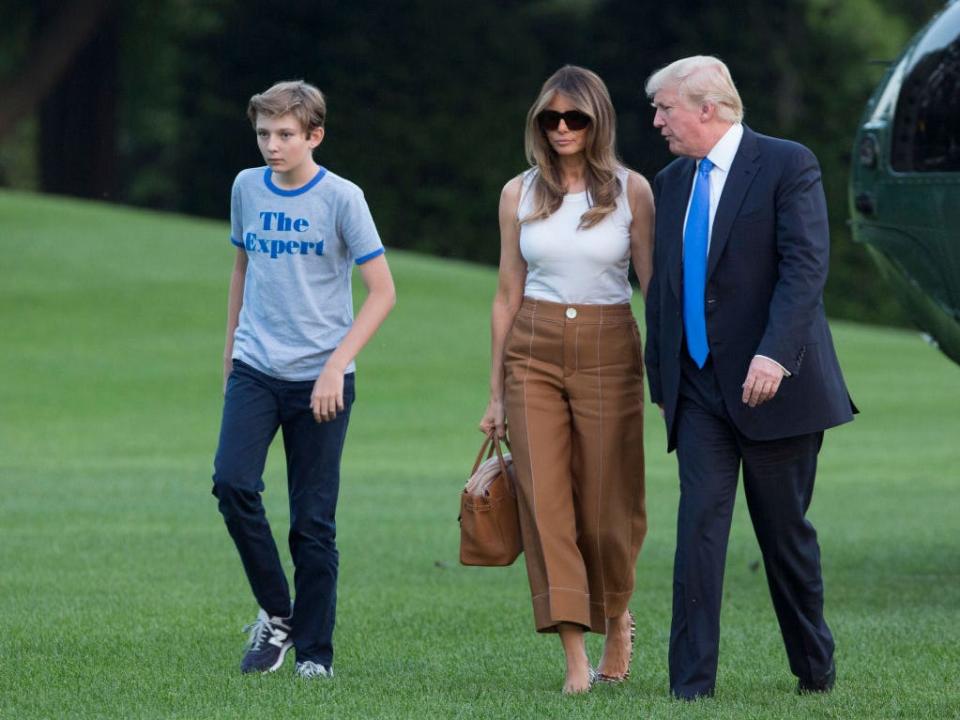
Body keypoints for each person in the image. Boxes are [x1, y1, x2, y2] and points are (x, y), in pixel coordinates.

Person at [643, 56, 856, 699]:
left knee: (783, 535)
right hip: (700, 390)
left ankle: (814, 671)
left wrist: (774, 354)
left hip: (775, 385)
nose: (656, 121)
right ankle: (690, 686)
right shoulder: (672, 180)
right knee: (698, 531)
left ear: (706, 108)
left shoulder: (788, 163)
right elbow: (665, 289)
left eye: (665, 108)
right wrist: (664, 381)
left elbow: (804, 268)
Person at [211, 80, 396, 679]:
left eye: (285, 135)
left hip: (323, 379)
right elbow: (243, 266)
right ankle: (278, 613)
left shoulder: (343, 198)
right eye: (264, 134)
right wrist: (230, 349)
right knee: (232, 483)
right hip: (256, 368)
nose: (272, 145)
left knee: (313, 522)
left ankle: (315, 654)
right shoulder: (246, 186)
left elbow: (382, 293)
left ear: (314, 135)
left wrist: (336, 365)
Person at [480, 65, 654, 694]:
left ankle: (616, 617)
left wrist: (670, 371)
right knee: (545, 504)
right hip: (533, 349)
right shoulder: (517, 193)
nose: (561, 129)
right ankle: (575, 659)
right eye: (549, 118)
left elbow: (652, 287)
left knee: (609, 507)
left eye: (574, 118)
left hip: (610, 344)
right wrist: (496, 392)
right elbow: (506, 294)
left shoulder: (632, 191)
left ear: (597, 121)